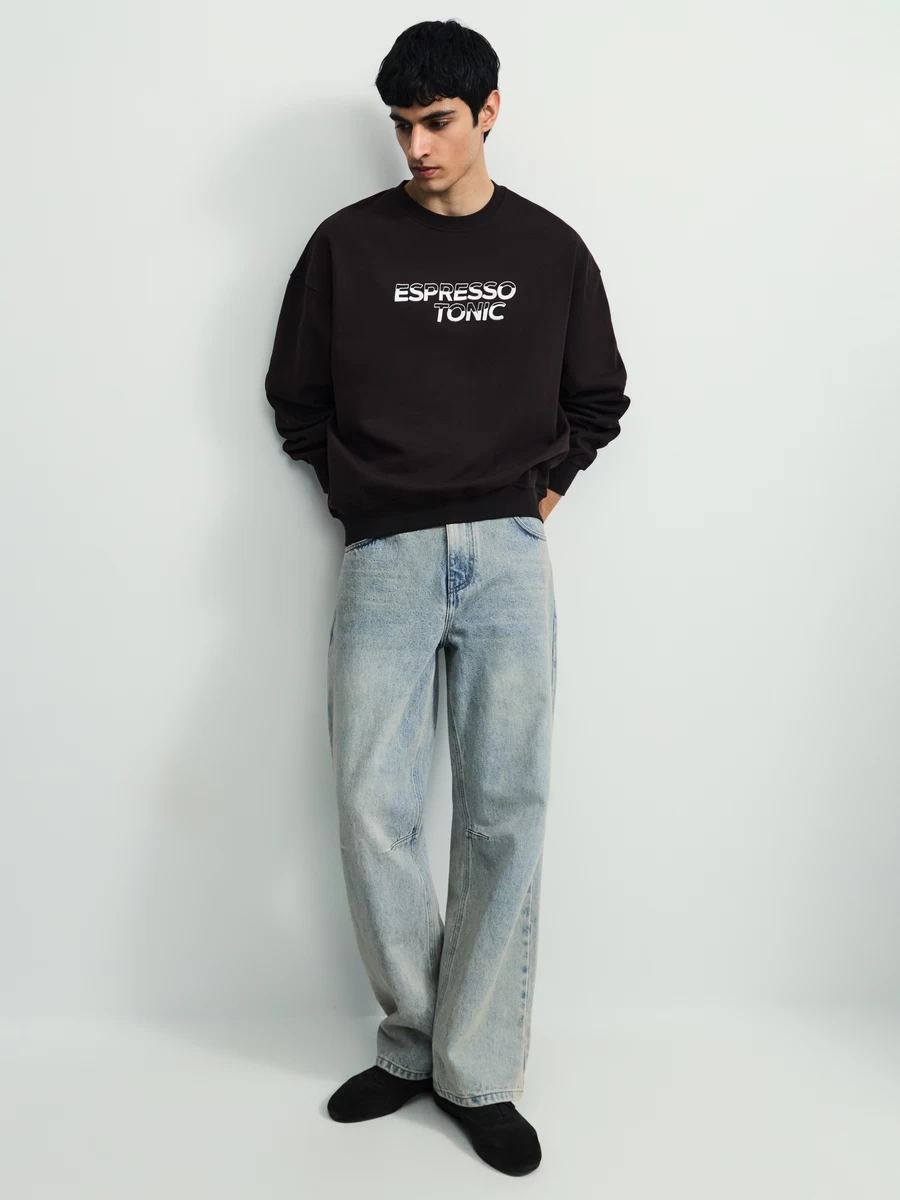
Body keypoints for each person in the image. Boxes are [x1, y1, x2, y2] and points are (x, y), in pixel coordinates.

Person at [264, 18, 630, 1177]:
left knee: (504, 807)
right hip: (386, 553)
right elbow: (296, 396)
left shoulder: (551, 251)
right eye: (401, 126)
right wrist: (358, 496)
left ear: (488, 112)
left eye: (437, 122)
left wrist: (533, 502)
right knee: (372, 804)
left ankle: (477, 1071)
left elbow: (600, 397)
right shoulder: (345, 247)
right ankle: (415, 1040)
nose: (417, 147)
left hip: (509, 554)